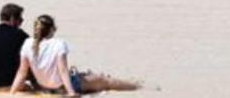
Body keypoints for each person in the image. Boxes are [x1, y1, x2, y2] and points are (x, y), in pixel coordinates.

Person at [10, 14, 139, 95]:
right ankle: (136, 86)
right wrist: (71, 92)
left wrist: (12, 92)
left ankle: (134, 84)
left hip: (42, 86)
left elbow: (22, 72)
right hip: (60, 87)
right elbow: (62, 71)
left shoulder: (27, 43)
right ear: (51, 30)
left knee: (83, 75)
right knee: (105, 80)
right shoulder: (58, 43)